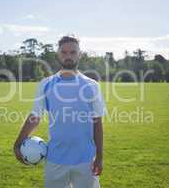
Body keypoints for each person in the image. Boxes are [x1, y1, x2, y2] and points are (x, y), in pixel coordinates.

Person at [14, 35, 106, 188]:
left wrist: (100, 157)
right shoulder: (46, 84)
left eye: (73, 52)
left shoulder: (92, 85)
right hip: (55, 160)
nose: (68, 56)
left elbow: (97, 122)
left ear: (80, 54)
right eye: (64, 52)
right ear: (58, 55)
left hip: (86, 161)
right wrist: (18, 144)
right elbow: (35, 117)